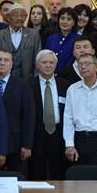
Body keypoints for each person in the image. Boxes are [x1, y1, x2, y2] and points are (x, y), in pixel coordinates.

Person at [0, 50, 34, 177]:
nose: (2, 63)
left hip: (16, 145)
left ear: (11, 64)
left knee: (18, 182)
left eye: (6, 60)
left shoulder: (23, 86)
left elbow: (29, 116)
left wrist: (27, 145)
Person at [28, 50, 70, 181]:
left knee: (58, 170)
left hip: (59, 133)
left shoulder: (65, 85)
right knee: (37, 170)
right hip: (37, 134)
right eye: (44, 62)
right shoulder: (28, 85)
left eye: (51, 62)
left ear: (56, 65)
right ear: (37, 65)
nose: (48, 65)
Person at [0, 3, 40, 81]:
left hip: (28, 81)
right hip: (4, 80)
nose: (19, 18)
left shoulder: (33, 35)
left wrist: (35, 80)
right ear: (8, 17)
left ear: (25, 17)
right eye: (15, 15)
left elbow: (38, 60)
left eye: (22, 15)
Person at [44, 7, 79, 72]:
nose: (65, 21)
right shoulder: (51, 38)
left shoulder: (78, 39)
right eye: (62, 18)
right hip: (52, 74)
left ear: (73, 23)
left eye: (69, 19)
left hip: (71, 74)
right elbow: (46, 57)